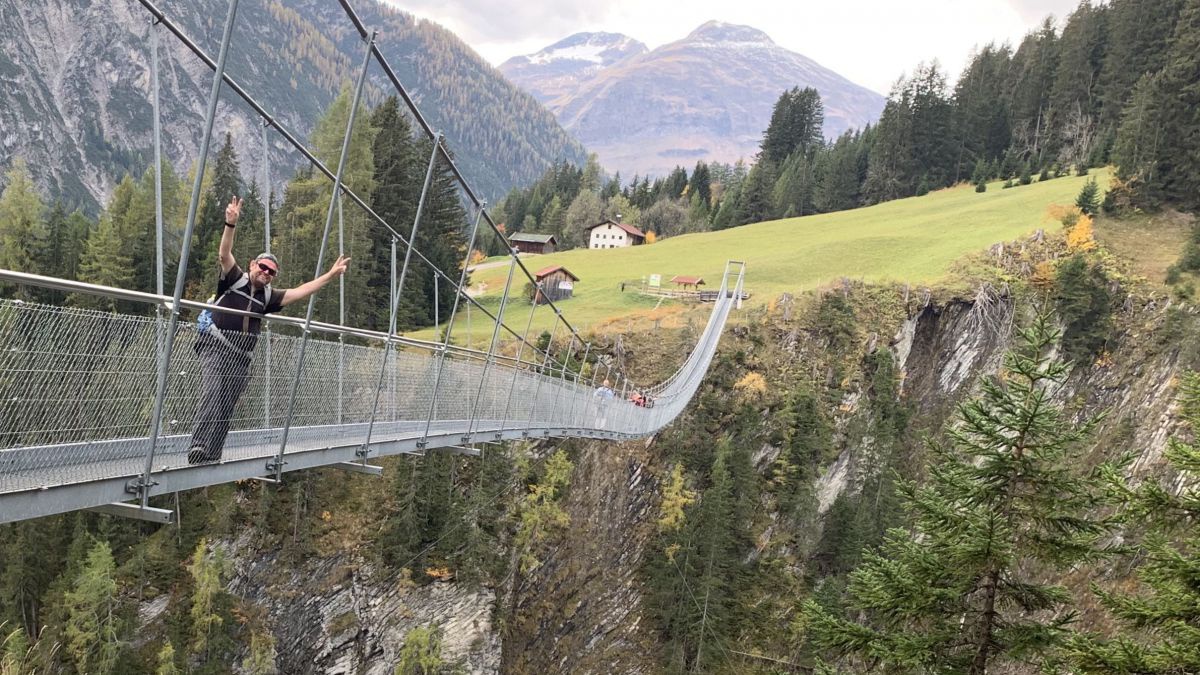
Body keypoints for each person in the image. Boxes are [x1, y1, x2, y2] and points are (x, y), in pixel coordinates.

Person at [188, 195, 350, 464]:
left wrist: (330, 276)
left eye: (271, 272)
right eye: (263, 267)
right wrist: (230, 224)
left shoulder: (268, 297)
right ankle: (199, 447)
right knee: (213, 392)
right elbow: (224, 254)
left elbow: (301, 291)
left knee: (227, 405)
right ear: (253, 265)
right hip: (215, 345)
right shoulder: (234, 279)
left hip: (240, 357)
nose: (266, 273)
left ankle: (212, 454)